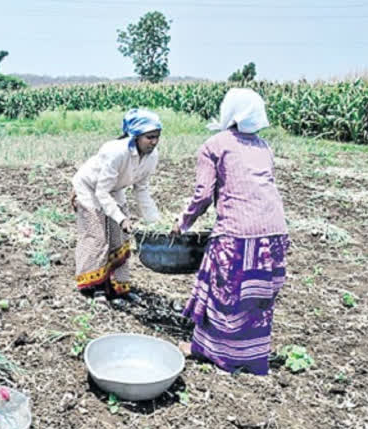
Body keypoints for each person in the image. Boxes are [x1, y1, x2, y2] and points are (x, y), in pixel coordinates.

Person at [172, 88, 289, 375]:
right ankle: (250, 355)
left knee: (224, 291)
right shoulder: (263, 146)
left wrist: (183, 223)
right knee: (255, 297)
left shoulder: (215, 144)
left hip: (237, 231)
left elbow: (202, 195)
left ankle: (209, 351)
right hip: (275, 232)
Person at [71, 108, 162, 306]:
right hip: (90, 187)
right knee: (98, 236)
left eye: (157, 137)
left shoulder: (152, 157)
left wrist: (155, 223)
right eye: (150, 137)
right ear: (136, 136)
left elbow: (142, 189)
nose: (154, 142)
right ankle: (95, 288)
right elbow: (101, 192)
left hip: (115, 188)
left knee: (119, 237)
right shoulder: (117, 152)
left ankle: (119, 287)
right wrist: (121, 218)